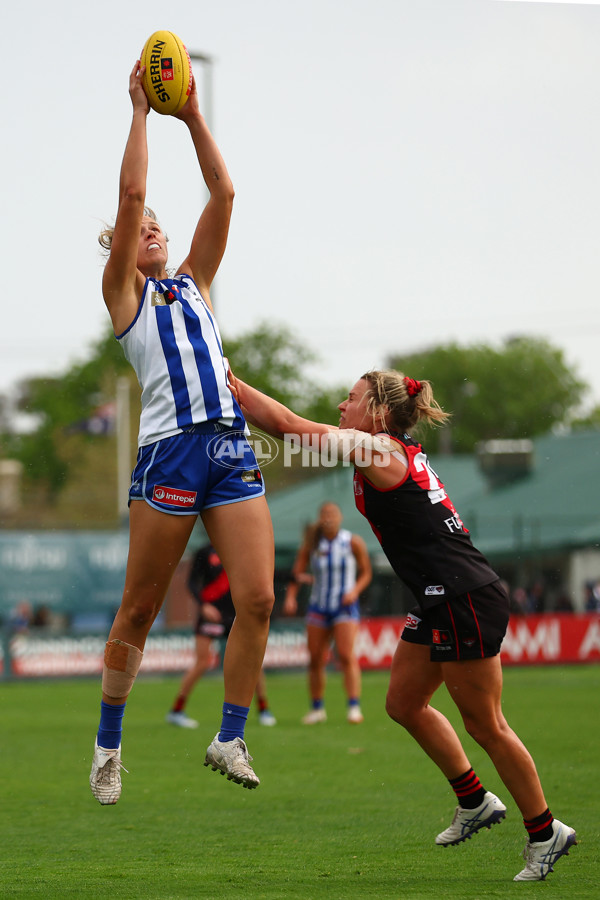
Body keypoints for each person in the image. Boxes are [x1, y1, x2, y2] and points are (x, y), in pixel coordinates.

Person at [230, 367, 576, 882]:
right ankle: (474, 800)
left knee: (487, 725)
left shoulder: (380, 450)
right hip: (442, 596)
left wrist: (228, 381)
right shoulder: (386, 449)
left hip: (463, 597)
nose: (342, 407)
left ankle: (546, 832)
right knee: (403, 704)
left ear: (379, 412)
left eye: (351, 400)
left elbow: (284, 425)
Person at [89, 60, 275, 805]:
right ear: (124, 252)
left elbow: (224, 193)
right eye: (142, 231)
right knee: (138, 608)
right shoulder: (124, 296)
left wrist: (192, 115)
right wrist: (140, 109)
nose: (153, 230)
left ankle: (229, 734)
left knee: (257, 599)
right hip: (171, 450)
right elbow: (132, 195)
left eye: (161, 226)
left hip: (227, 442)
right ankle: (108, 745)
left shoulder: (194, 282)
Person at [166, 544, 276, 728]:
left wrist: (293, 578)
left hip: (236, 614)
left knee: (251, 661)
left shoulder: (242, 548)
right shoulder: (205, 552)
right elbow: (192, 582)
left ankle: (264, 709)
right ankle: (176, 711)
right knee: (202, 661)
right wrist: (203, 605)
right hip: (211, 615)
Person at [284, 501, 372, 724]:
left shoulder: (352, 542)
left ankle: (354, 706)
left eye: (332, 513)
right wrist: (291, 597)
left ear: (340, 517)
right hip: (319, 606)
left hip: (345, 606)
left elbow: (366, 573)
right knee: (315, 658)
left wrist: (355, 590)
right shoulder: (312, 544)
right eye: (324, 513)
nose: (328, 517)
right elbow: (297, 573)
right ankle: (317, 708)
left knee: (345, 654)